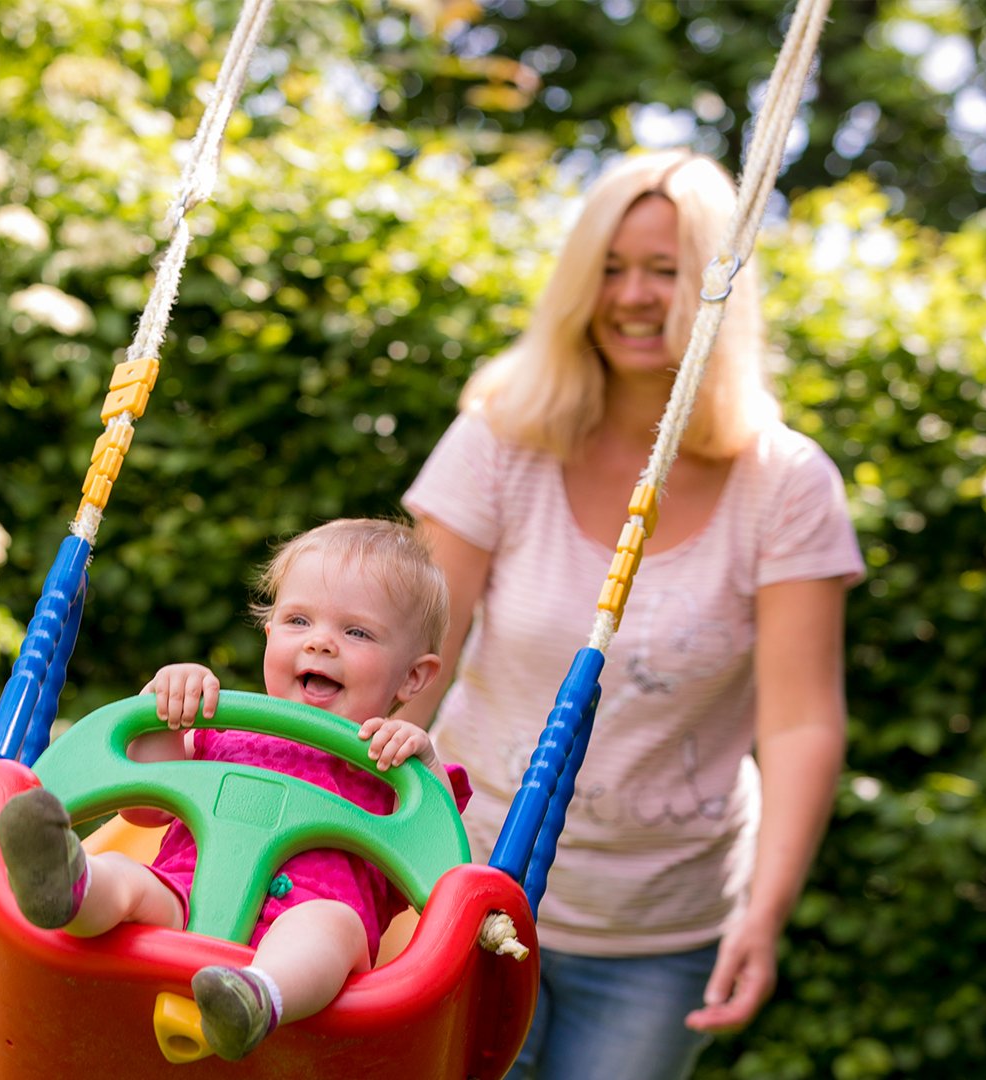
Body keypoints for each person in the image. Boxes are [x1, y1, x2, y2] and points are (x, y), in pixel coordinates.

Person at [397, 149, 863, 1080]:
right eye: (611, 267)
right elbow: (414, 661)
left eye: (668, 270)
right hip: (466, 890)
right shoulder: (501, 437)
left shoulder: (786, 483)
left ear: (721, 285)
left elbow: (802, 718)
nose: (636, 296)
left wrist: (763, 916)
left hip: (662, 931)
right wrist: (358, 839)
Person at [0, 518, 472, 1061]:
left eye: (356, 632)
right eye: (298, 620)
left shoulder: (394, 772)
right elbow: (145, 811)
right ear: (270, 637)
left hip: (306, 938)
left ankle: (255, 996)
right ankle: (67, 887)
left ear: (413, 677)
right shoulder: (227, 730)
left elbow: (439, 857)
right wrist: (165, 715)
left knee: (330, 926)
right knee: (129, 882)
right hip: (182, 903)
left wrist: (423, 759)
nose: (320, 642)